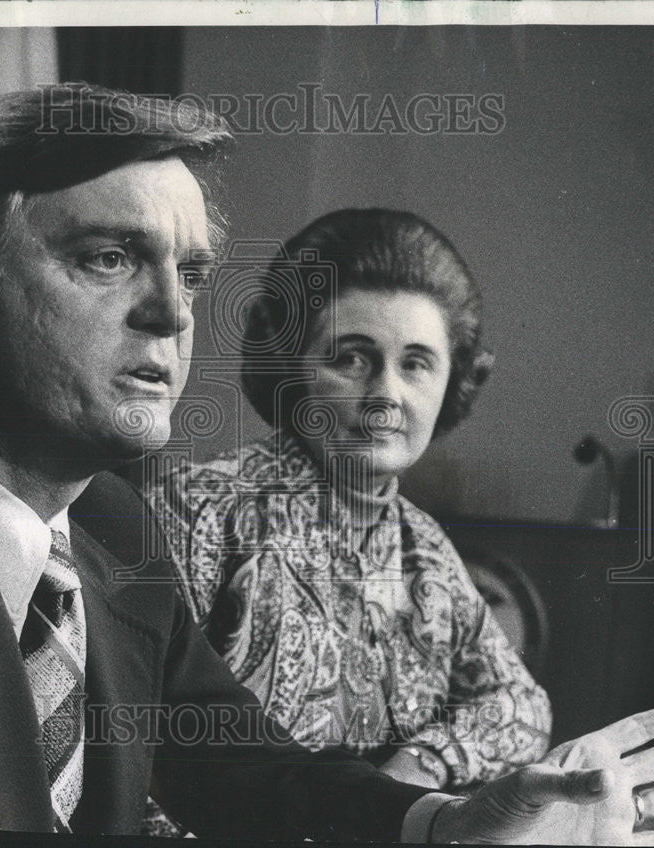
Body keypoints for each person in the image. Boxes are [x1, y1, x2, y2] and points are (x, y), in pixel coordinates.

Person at [0, 84, 654, 844]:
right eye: (108, 258)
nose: (175, 317)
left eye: (188, 273)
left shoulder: (102, 522)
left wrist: (444, 821)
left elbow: (244, 768)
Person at [141, 210, 550, 839]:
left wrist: (412, 769)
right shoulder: (202, 510)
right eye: (353, 360)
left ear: (454, 384)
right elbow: (134, 754)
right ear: (293, 367)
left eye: (416, 364)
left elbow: (519, 706)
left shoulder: (427, 550)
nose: (386, 395)